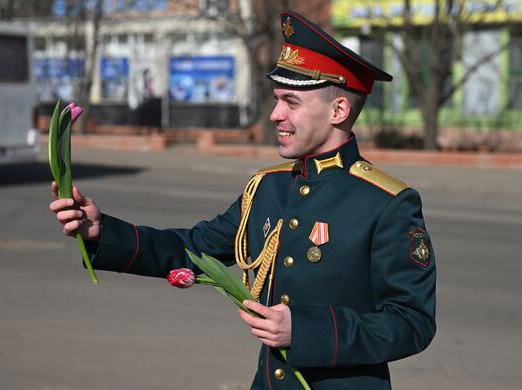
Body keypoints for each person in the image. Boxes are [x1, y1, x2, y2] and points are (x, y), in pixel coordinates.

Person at [50, 11, 436, 390]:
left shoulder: (387, 203)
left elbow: (411, 321)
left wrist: (304, 331)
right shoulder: (267, 188)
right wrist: (102, 232)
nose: (274, 114)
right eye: (276, 99)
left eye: (291, 102)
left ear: (338, 110)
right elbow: (196, 249)